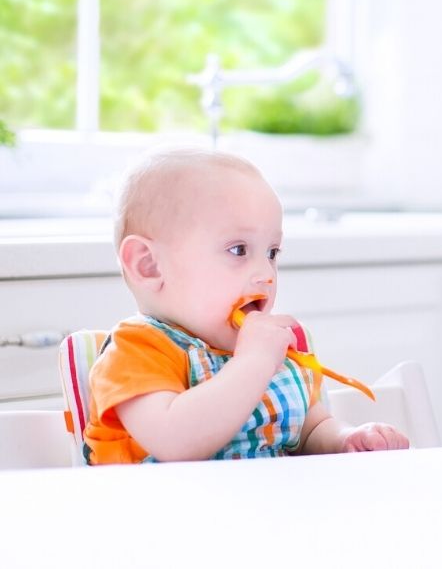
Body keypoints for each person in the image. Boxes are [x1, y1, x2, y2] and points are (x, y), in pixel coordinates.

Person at [84, 147, 409, 463]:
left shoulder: (272, 351)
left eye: (272, 252)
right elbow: (176, 441)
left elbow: (310, 430)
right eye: (238, 250)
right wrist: (254, 362)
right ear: (149, 266)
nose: (266, 274)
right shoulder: (134, 351)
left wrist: (345, 438)